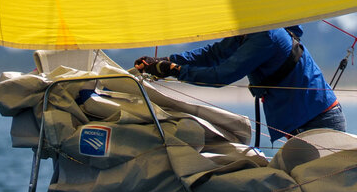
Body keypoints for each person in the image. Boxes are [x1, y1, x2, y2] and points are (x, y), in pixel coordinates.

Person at [133, 24, 344, 141]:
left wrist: (175, 71)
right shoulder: (251, 32)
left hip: (317, 121)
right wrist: (167, 61)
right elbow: (213, 54)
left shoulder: (266, 35)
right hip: (306, 122)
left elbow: (222, 75)